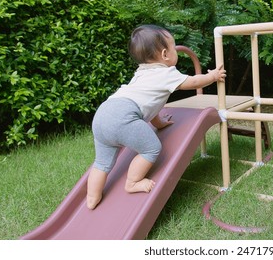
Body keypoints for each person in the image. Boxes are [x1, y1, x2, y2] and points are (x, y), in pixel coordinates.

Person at [86, 25, 226, 210]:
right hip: (123, 117)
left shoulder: (142, 72)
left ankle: (92, 197)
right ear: (165, 55)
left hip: (104, 114)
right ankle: (133, 182)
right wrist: (213, 76)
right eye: (174, 47)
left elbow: (149, 105)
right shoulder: (166, 73)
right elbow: (192, 82)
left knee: (102, 162)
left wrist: (159, 123)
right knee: (151, 149)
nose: (176, 50)